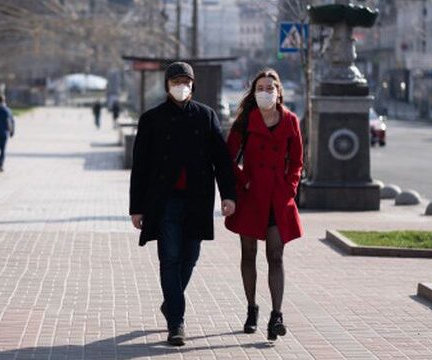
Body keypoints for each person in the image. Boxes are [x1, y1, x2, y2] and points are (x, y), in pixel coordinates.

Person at [129, 62, 237, 346]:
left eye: (186, 82)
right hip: (164, 201)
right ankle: (176, 322)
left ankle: (171, 302)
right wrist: (136, 208)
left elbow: (221, 160)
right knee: (170, 258)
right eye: (176, 81)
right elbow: (140, 167)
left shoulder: (205, 116)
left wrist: (228, 195)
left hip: (197, 200)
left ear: (193, 85)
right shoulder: (152, 119)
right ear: (167, 85)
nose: (181, 87)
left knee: (190, 257)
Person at [224, 68, 303, 341]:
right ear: (253, 92)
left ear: (279, 92)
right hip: (251, 196)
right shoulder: (245, 121)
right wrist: (244, 181)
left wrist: (290, 188)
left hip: (278, 198)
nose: (265, 92)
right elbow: (227, 159)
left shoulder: (291, 120)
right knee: (248, 254)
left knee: (276, 255)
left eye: (270, 88)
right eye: (260, 88)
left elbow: (297, 162)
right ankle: (251, 309)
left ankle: (276, 315)